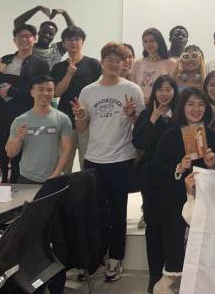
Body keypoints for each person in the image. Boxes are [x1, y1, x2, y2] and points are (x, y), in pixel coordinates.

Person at [70, 42, 145, 282]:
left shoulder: (132, 89)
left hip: (121, 159)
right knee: (96, 213)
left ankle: (116, 258)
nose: (114, 64)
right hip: (93, 159)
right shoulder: (88, 91)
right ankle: (96, 258)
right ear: (102, 62)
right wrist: (80, 116)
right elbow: (82, 127)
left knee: (118, 212)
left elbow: (141, 127)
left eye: (119, 61)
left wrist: (131, 114)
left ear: (124, 64)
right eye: (110, 60)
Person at [148, 87, 215, 294]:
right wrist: (178, 168)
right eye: (190, 104)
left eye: (200, 104)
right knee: (175, 241)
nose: (196, 109)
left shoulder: (211, 135)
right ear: (182, 107)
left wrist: (212, 165)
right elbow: (156, 166)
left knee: (203, 241)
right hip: (174, 198)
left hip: (204, 198)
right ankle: (165, 282)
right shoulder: (169, 135)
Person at [0, 24, 50, 183]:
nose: (23, 39)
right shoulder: (4, 60)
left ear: (34, 39)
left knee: (19, 164)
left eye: (27, 36)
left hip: (23, 120)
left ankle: (17, 197)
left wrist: (11, 91)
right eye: (19, 36)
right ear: (14, 40)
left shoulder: (40, 64)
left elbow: (40, 95)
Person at [133, 75, 180, 259]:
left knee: (172, 224)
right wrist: (152, 121)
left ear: (175, 91)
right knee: (153, 224)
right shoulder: (146, 114)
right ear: (154, 92)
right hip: (151, 176)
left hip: (174, 175)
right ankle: (155, 271)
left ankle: (172, 266)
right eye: (160, 89)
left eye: (168, 89)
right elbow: (139, 143)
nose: (164, 93)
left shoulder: (180, 114)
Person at [51, 26, 102, 174]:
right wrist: (68, 74)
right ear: (63, 43)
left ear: (83, 42)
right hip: (65, 120)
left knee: (87, 165)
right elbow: (57, 93)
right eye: (69, 39)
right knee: (64, 164)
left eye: (77, 39)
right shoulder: (58, 67)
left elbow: (100, 91)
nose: (73, 42)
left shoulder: (93, 64)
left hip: (89, 122)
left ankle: (86, 190)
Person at [5, 75, 72, 184]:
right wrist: (18, 139)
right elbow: (10, 153)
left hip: (53, 178)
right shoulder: (20, 120)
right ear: (32, 93)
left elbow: (66, 149)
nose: (45, 93)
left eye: (49, 90)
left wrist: (56, 173)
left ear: (53, 93)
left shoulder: (63, 119)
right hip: (26, 177)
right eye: (40, 89)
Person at [129, 28, 177, 103]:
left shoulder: (170, 62)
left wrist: (150, 101)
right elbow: (132, 88)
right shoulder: (137, 63)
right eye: (145, 41)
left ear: (159, 41)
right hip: (139, 104)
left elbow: (172, 88)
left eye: (152, 40)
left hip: (161, 104)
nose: (148, 44)